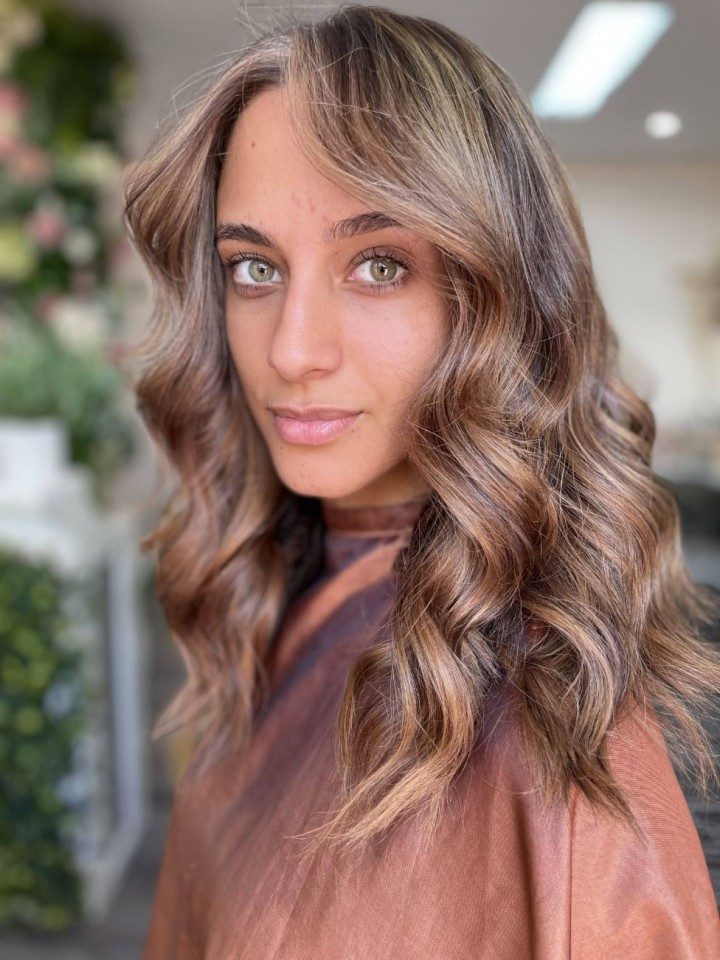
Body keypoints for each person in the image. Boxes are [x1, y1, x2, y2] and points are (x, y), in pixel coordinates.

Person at [123, 5, 720, 957]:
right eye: (253, 268)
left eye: (378, 263)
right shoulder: (282, 589)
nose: (292, 348)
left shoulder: (558, 755)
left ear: (499, 293)